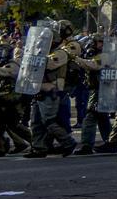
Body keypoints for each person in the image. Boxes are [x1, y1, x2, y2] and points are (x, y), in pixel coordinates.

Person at [24, 20, 78, 158]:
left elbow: (47, 65)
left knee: (48, 121)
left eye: (44, 40)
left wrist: (34, 57)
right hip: (38, 88)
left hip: (51, 90)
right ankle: (38, 148)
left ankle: (68, 142)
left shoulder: (60, 53)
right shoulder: (43, 53)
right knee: (35, 122)